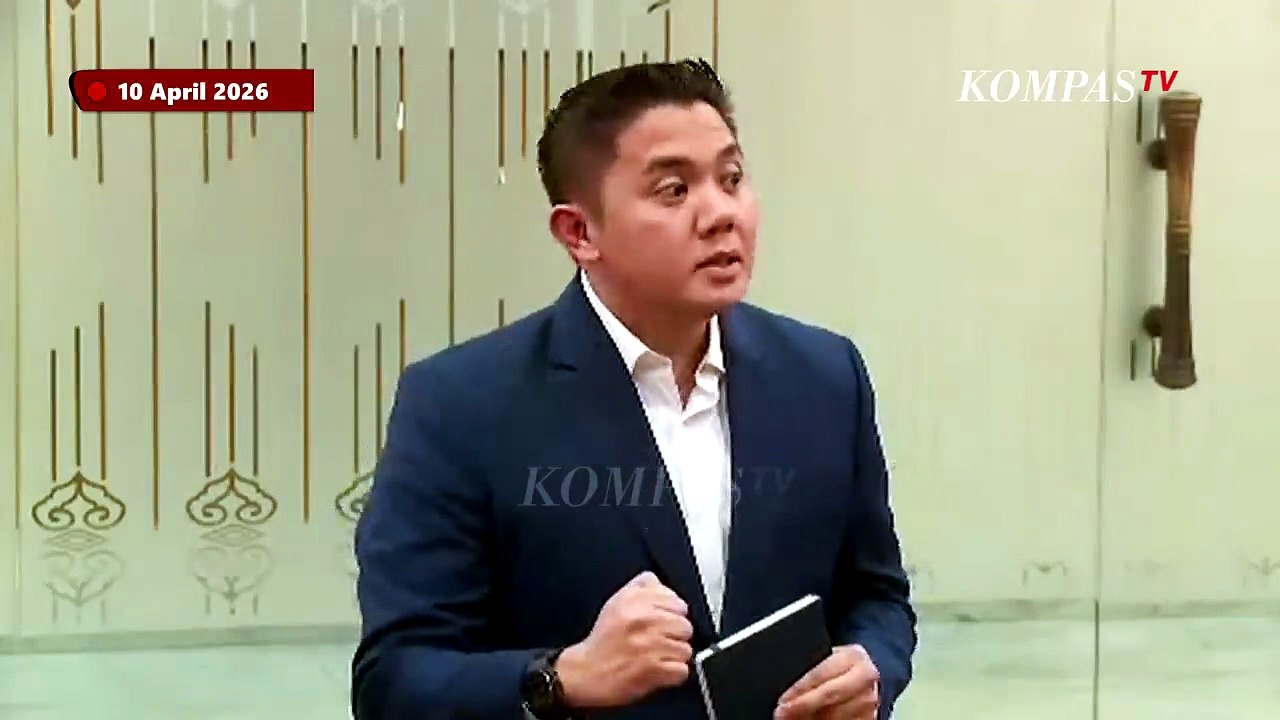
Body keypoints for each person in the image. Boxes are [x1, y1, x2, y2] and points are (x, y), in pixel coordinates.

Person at [351, 58, 917, 720]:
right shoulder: (460, 405)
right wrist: (560, 678)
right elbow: (394, 681)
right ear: (579, 233)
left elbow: (877, 596)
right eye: (674, 190)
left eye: (732, 179)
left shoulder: (825, 374)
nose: (721, 213)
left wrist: (870, 667)